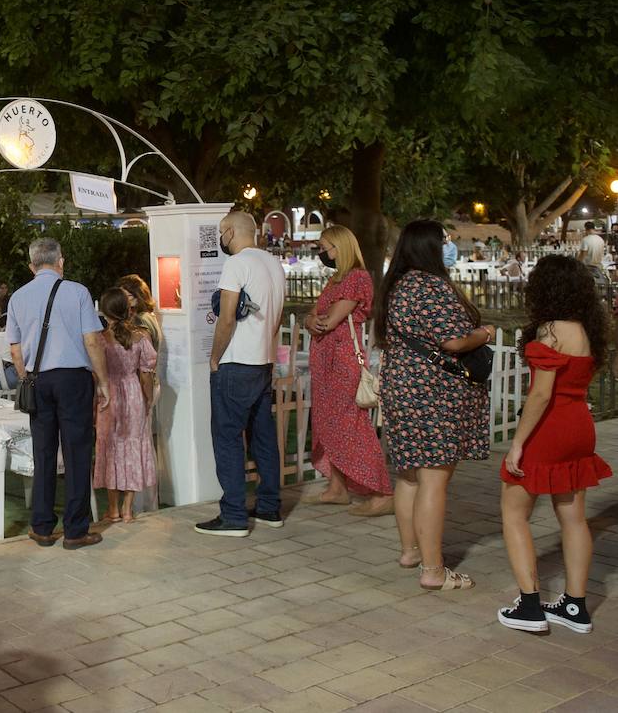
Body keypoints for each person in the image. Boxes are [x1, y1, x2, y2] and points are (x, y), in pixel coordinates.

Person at [375, 219, 493, 590]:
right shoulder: (430, 285)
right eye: (443, 241)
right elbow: (454, 342)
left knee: (410, 475)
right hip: (433, 393)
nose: (448, 246)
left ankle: (411, 551)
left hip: (402, 388)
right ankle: (433, 570)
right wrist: (484, 333)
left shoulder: (397, 285)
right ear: (429, 247)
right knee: (434, 479)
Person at [497, 256, 613, 633]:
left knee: (514, 513)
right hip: (580, 425)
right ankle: (575, 607)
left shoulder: (548, 331)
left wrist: (517, 444)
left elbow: (541, 395)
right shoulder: (586, 330)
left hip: (550, 428)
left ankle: (530, 606)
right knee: (574, 519)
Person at [8, 237, 110, 550]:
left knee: (44, 453)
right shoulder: (77, 292)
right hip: (73, 380)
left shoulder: (17, 297)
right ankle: (75, 530)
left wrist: (27, 377)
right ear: (61, 261)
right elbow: (92, 341)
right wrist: (103, 380)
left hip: (37, 380)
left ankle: (41, 526)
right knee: (77, 453)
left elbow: (14, 350)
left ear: (31, 265)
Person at [198, 210, 285, 537]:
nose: (222, 239)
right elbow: (276, 317)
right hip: (263, 362)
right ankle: (268, 507)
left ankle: (233, 514)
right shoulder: (273, 263)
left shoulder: (236, 264)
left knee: (228, 439)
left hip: (235, 363)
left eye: (222, 233)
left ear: (231, 232)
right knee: (263, 438)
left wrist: (215, 357)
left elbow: (228, 316)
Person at [306, 225, 393, 515]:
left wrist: (314, 319)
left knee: (350, 426)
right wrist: (311, 318)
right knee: (330, 423)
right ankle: (338, 487)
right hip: (327, 362)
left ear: (340, 248)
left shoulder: (357, 277)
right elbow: (314, 317)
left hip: (341, 361)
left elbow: (328, 321)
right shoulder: (336, 279)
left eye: (324, 247)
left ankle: (381, 491)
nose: (321, 253)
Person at [92, 288, 157, 524]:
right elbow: (147, 375)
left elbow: (94, 376)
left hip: (108, 395)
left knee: (109, 448)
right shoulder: (141, 336)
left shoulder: (99, 339)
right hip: (133, 394)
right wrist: (147, 399)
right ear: (127, 309)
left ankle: (113, 509)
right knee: (132, 448)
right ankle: (128, 509)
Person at [117, 274, 163, 357]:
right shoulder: (149, 315)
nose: (122, 299)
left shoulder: (140, 319)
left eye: (127, 296)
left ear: (138, 296)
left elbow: (144, 354)